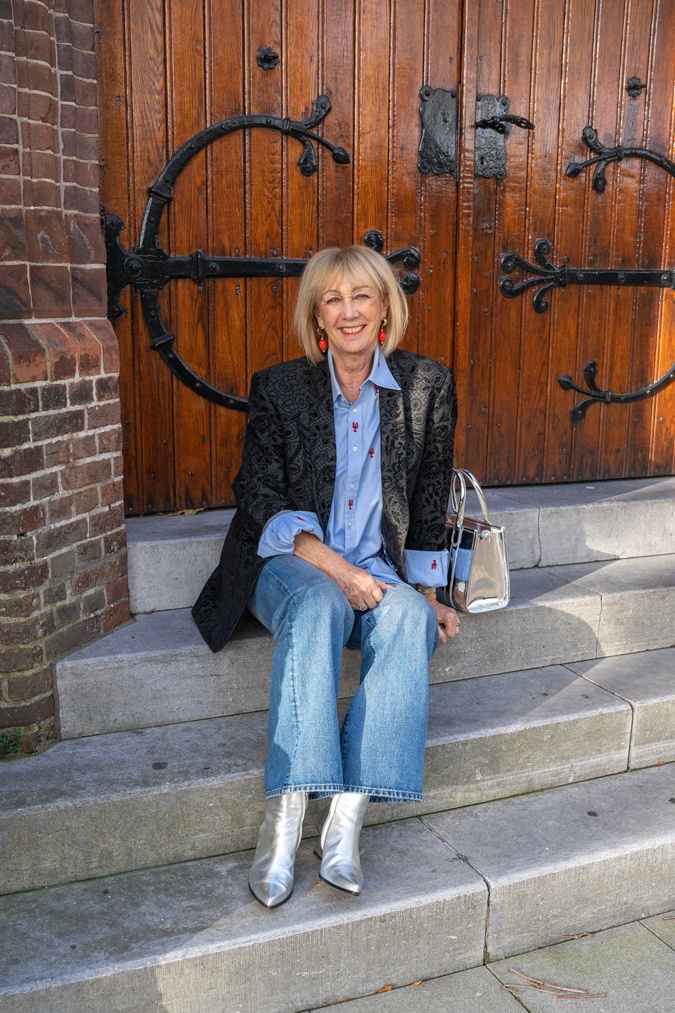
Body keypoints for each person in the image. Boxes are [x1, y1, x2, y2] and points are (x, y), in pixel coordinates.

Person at [192, 244, 459, 908]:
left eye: (361, 296)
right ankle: (282, 822)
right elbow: (256, 495)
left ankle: (345, 820)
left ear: (384, 307)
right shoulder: (281, 387)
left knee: (403, 617)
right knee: (314, 608)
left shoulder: (425, 384)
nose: (348, 312)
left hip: (374, 566)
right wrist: (333, 566)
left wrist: (428, 591)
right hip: (289, 560)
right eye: (333, 298)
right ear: (316, 312)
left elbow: (428, 495)